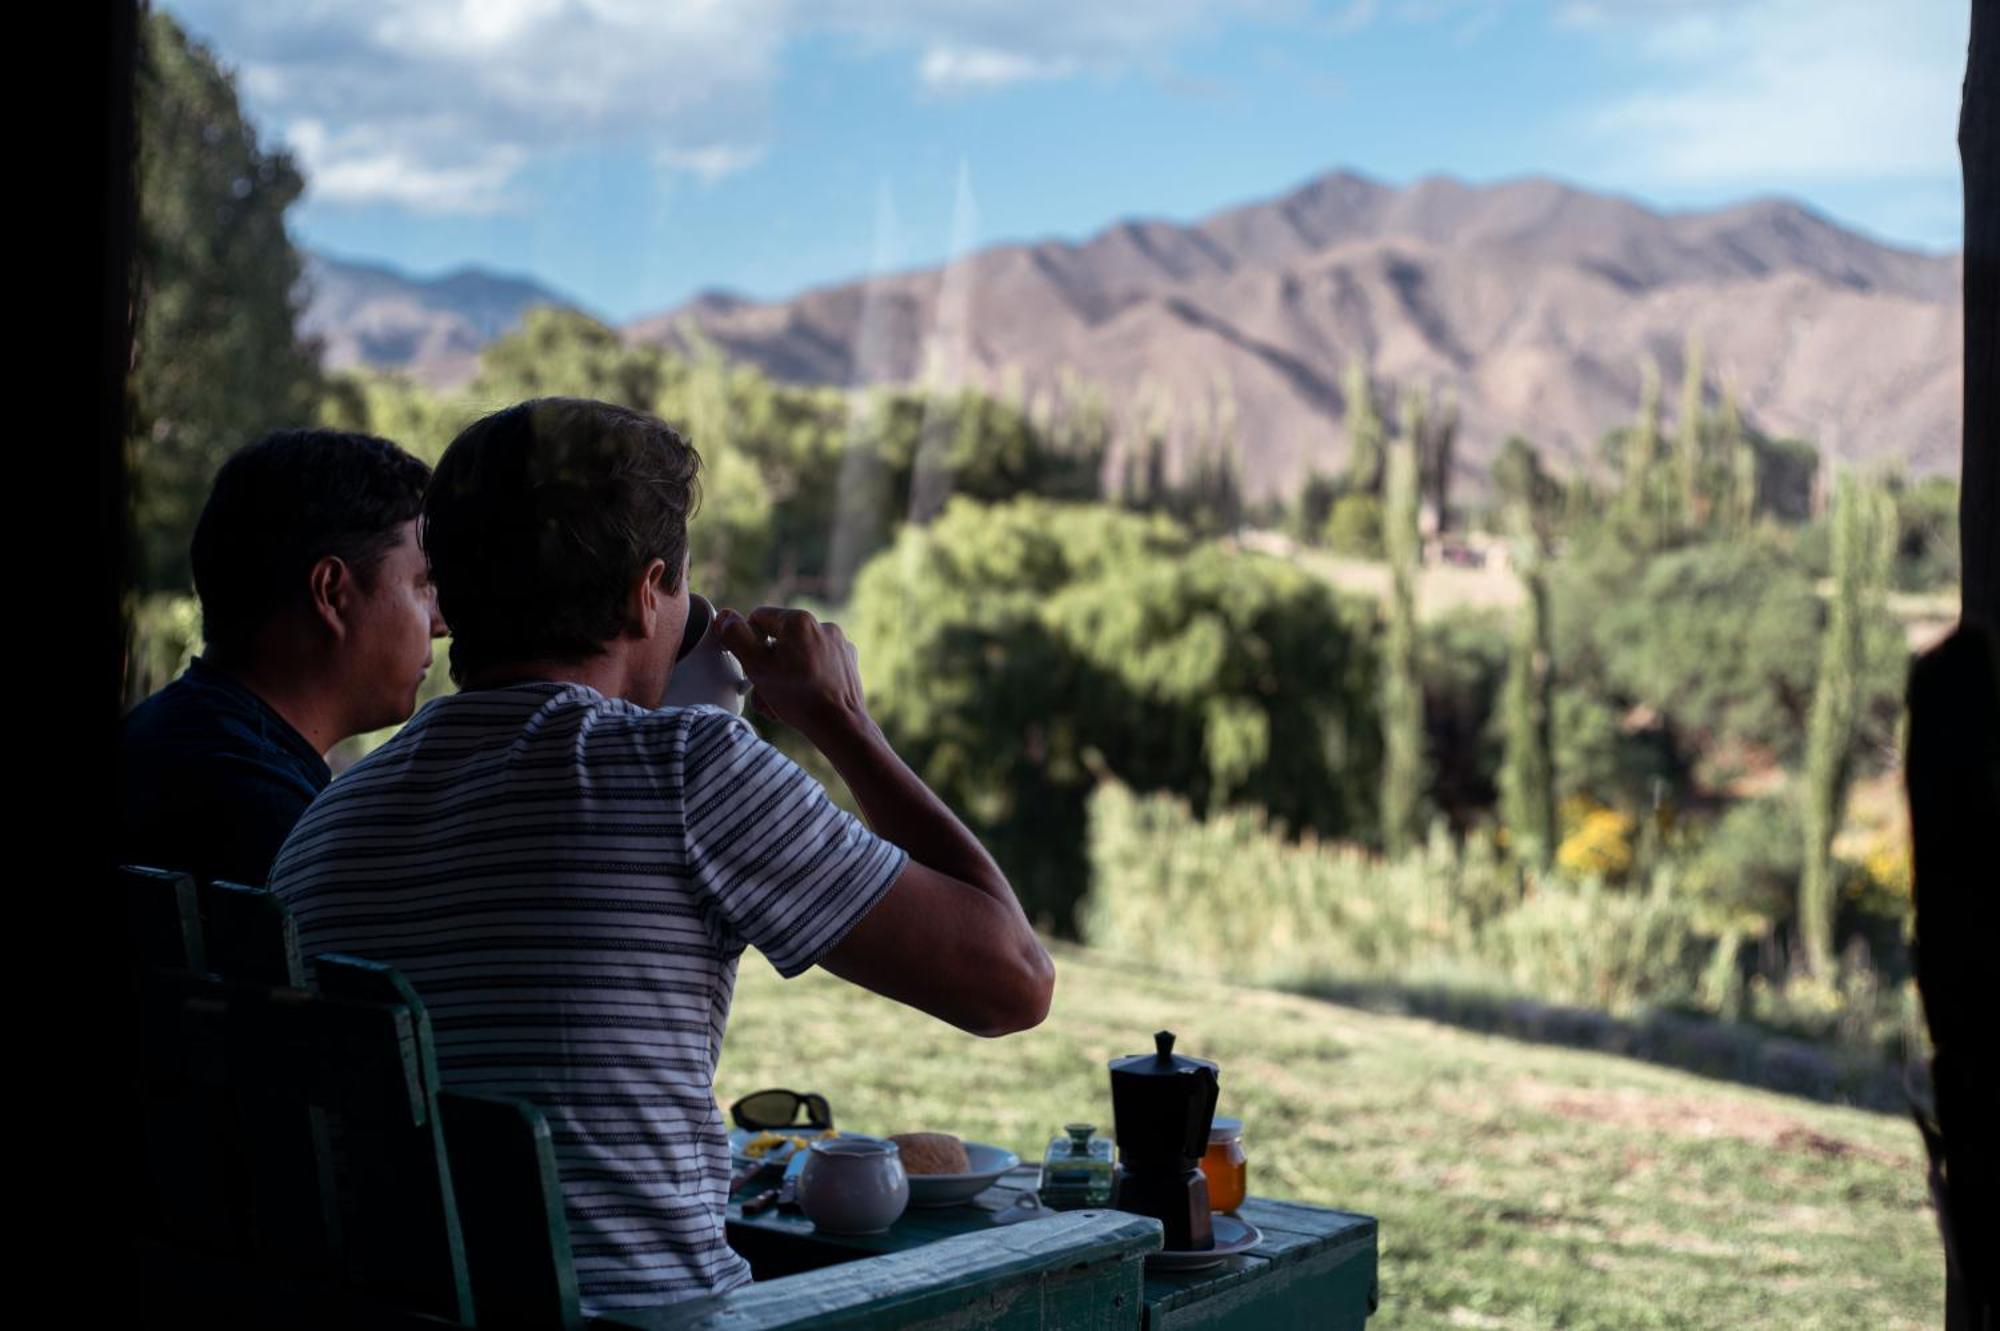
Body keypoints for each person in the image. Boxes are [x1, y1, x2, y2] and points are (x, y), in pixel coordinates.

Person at [269, 397, 1053, 1311]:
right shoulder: (685, 769)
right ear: (648, 594)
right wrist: (843, 722)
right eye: (681, 591)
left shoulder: (322, 827)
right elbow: (1013, 982)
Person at [120, 429, 445, 885]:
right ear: (331, 592)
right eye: (421, 586)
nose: (440, 624)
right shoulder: (277, 829)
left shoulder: (152, 738)